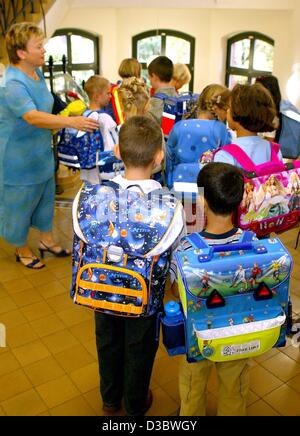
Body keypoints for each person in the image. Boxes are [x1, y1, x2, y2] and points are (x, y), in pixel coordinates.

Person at [94, 115, 185, 416]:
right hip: (145, 294)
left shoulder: (93, 196)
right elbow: (175, 252)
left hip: (101, 286)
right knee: (140, 347)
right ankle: (135, 404)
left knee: (107, 341)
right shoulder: (171, 206)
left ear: (118, 151)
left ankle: (110, 399)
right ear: (159, 156)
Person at [0, 22, 98, 269]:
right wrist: (70, 121)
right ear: (21, 53)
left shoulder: (37, 73)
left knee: (45, 199)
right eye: (38, 46)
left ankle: (46, 240)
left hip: (40, 151)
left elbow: (46, 105)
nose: (44, 50)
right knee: (19, 205)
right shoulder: (12, 84)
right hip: (18, 157)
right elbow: (32, 116)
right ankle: (21, 248)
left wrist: (70, 109)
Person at [171, 162, 250, 416]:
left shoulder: (186, 248)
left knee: (193, 389)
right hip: (238, 333)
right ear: (239, 201)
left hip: (197, 337)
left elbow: (176, 292)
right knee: (235, 389)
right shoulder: (252, 244)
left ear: (202, 200)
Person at [166, 84, 231, 188]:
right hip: (209, 186)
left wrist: (169, 183)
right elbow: (227, 162)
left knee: (185, 205)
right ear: (220, 109)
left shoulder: (179, 127)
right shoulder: (221, 130)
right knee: (202, 205)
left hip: (180, 184)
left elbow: (169, 158)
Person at [213, 83, 283, 166]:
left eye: (230, 107)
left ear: (240, 112)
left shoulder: (224, 155)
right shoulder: (274, 151)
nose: (227, 111)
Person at [256, 74, 300, 158]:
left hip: (271, 157)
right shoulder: (283, 106)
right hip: (283, 156)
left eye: (258, 90)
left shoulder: (270, 112)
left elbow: (269, 142)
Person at [147, 56, 177, 125]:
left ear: (154, 77)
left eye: (150, 76)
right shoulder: (177, 96)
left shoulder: (155, 101)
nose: (149, 79)